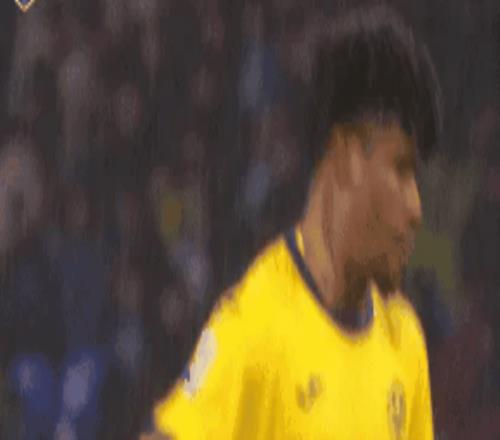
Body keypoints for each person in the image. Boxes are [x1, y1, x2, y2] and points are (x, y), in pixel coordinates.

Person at [149, 5, 442, 439]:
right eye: (400, 170)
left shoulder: (405, 340)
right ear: (347, 159)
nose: (415, 207)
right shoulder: (258, 327)